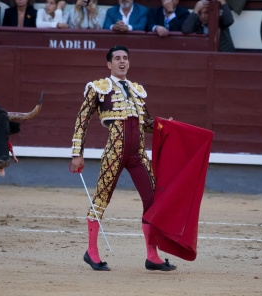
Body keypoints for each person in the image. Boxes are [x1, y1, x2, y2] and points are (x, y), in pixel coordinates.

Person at [70, 45, 176, 272]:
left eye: (125, 58)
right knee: (101, 200)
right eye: (117, 58)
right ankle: (91, 252)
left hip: (138, 154)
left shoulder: (137, 91)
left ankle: (152, 256)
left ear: (129, 63)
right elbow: (82, 119)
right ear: (109, 64)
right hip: (114, 153)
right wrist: (77, 154)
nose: (121, 61)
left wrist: (163, 125)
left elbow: (146, 124)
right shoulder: (98, 88)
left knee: (153, 200)